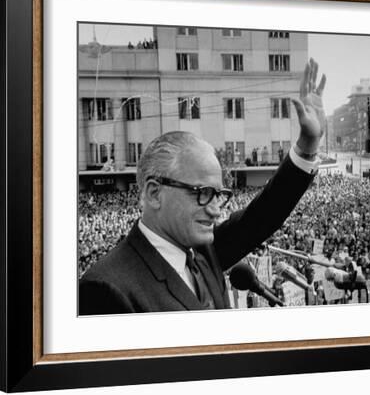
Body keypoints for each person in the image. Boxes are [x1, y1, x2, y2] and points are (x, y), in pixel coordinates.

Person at [79, 58, 327, 314]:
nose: (215, 210)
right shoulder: (106, 288)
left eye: (219, 195)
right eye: (203, 194)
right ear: (154, 193)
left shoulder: (204, 252)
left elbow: (261, 217)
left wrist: (307, 146)